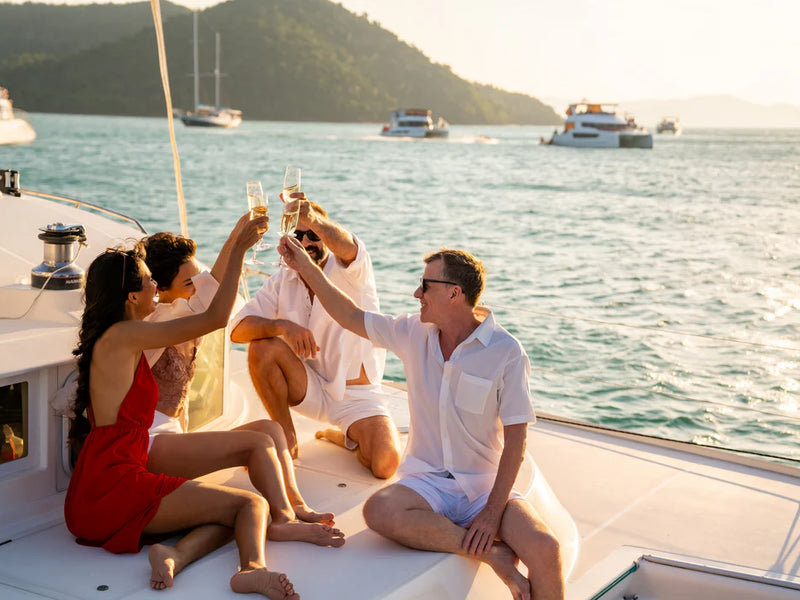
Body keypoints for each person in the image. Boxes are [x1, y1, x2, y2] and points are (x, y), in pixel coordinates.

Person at [277, 238, 565, 600]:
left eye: (426, 285)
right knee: (379, 509)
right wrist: (305, 266)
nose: (417, 293)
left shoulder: (506, 352)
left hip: (484, 487)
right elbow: (349, 315)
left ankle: (489, 544)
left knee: (546, 549)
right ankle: (493, 554)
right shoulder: (412, 332)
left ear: (454, 293)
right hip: (427, 483)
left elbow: (517, 442)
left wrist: (492, 513)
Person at [64, 212, 301, 600]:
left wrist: (234, 243)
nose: (155, 286)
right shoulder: (125, 336)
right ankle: (252, 570)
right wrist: (240, 250)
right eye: (149, 281)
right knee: (252, 505)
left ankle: (173, 554)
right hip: (115, 488)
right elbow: (215, 317)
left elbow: (204, 302)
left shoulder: (123, 336)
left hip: (104, 488)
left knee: (227, 512)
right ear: (131, 297)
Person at [137, 221, 344, 545]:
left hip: (174, 438)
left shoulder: (182, 308)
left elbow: (212, 283)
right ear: (160, 290)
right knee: (257, 443)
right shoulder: (158, 321)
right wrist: (239, 248)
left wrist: (239, 231)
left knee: (270, 430)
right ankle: (282, 521)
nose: (198, 287)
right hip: (150, 442)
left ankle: (297, 506)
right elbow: (216, 303)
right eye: (189, 283)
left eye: (197, 279)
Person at [230, 196, 400, 479]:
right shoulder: (283, 279)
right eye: (298, 236)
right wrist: (282, 326)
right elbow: (237, 329)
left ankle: (344, 437)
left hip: (356, 396)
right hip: (309, 387)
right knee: (262, 346)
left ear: (325, 236)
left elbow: (348, 246)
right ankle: (287, 438)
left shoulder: (351, 269)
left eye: (313, 235)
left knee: (385, 464)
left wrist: (313, 220)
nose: (306, 242)